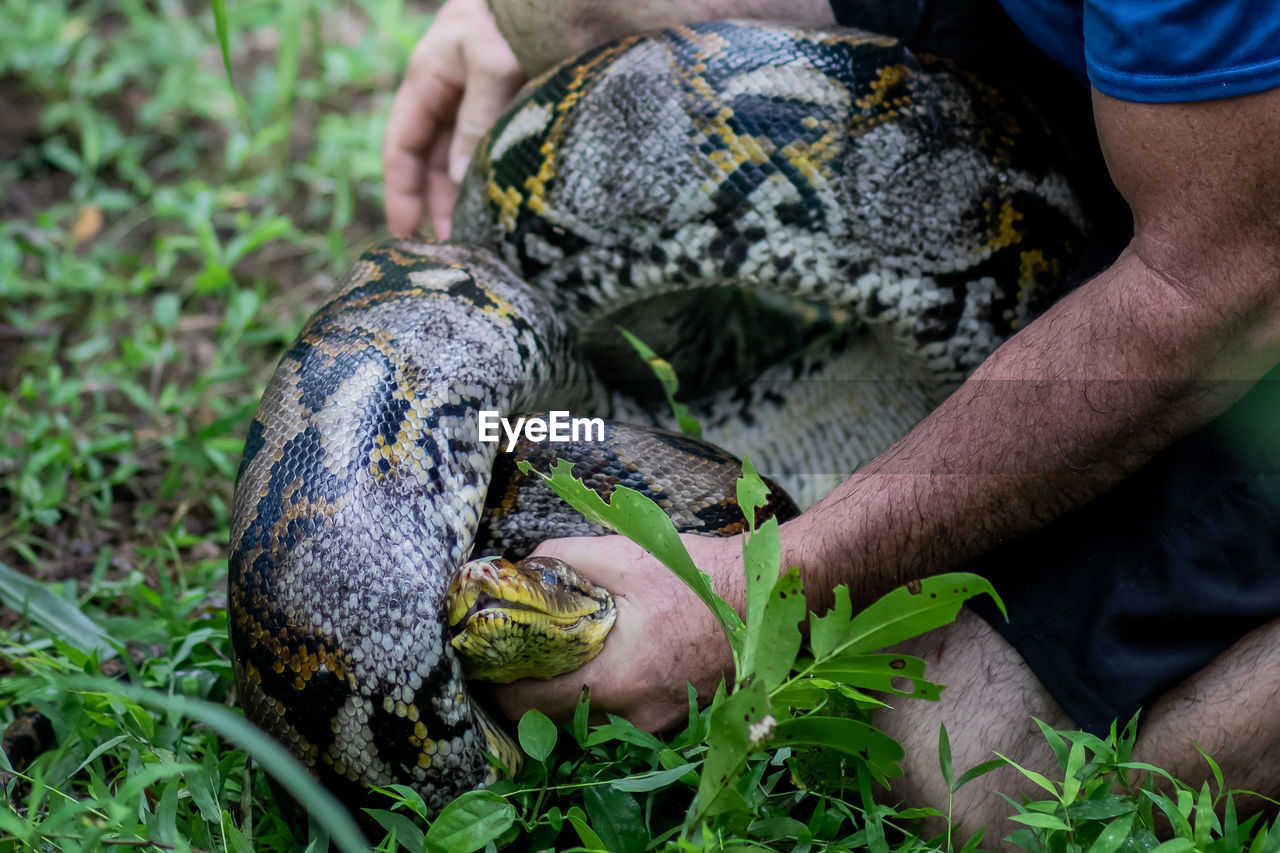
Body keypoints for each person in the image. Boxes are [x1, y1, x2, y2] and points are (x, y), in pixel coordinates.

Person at [383, 0, 1280, 836]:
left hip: (1231, 272)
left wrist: (754, 593)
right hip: (1177, 106)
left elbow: (1217, 288)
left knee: (963, 761)